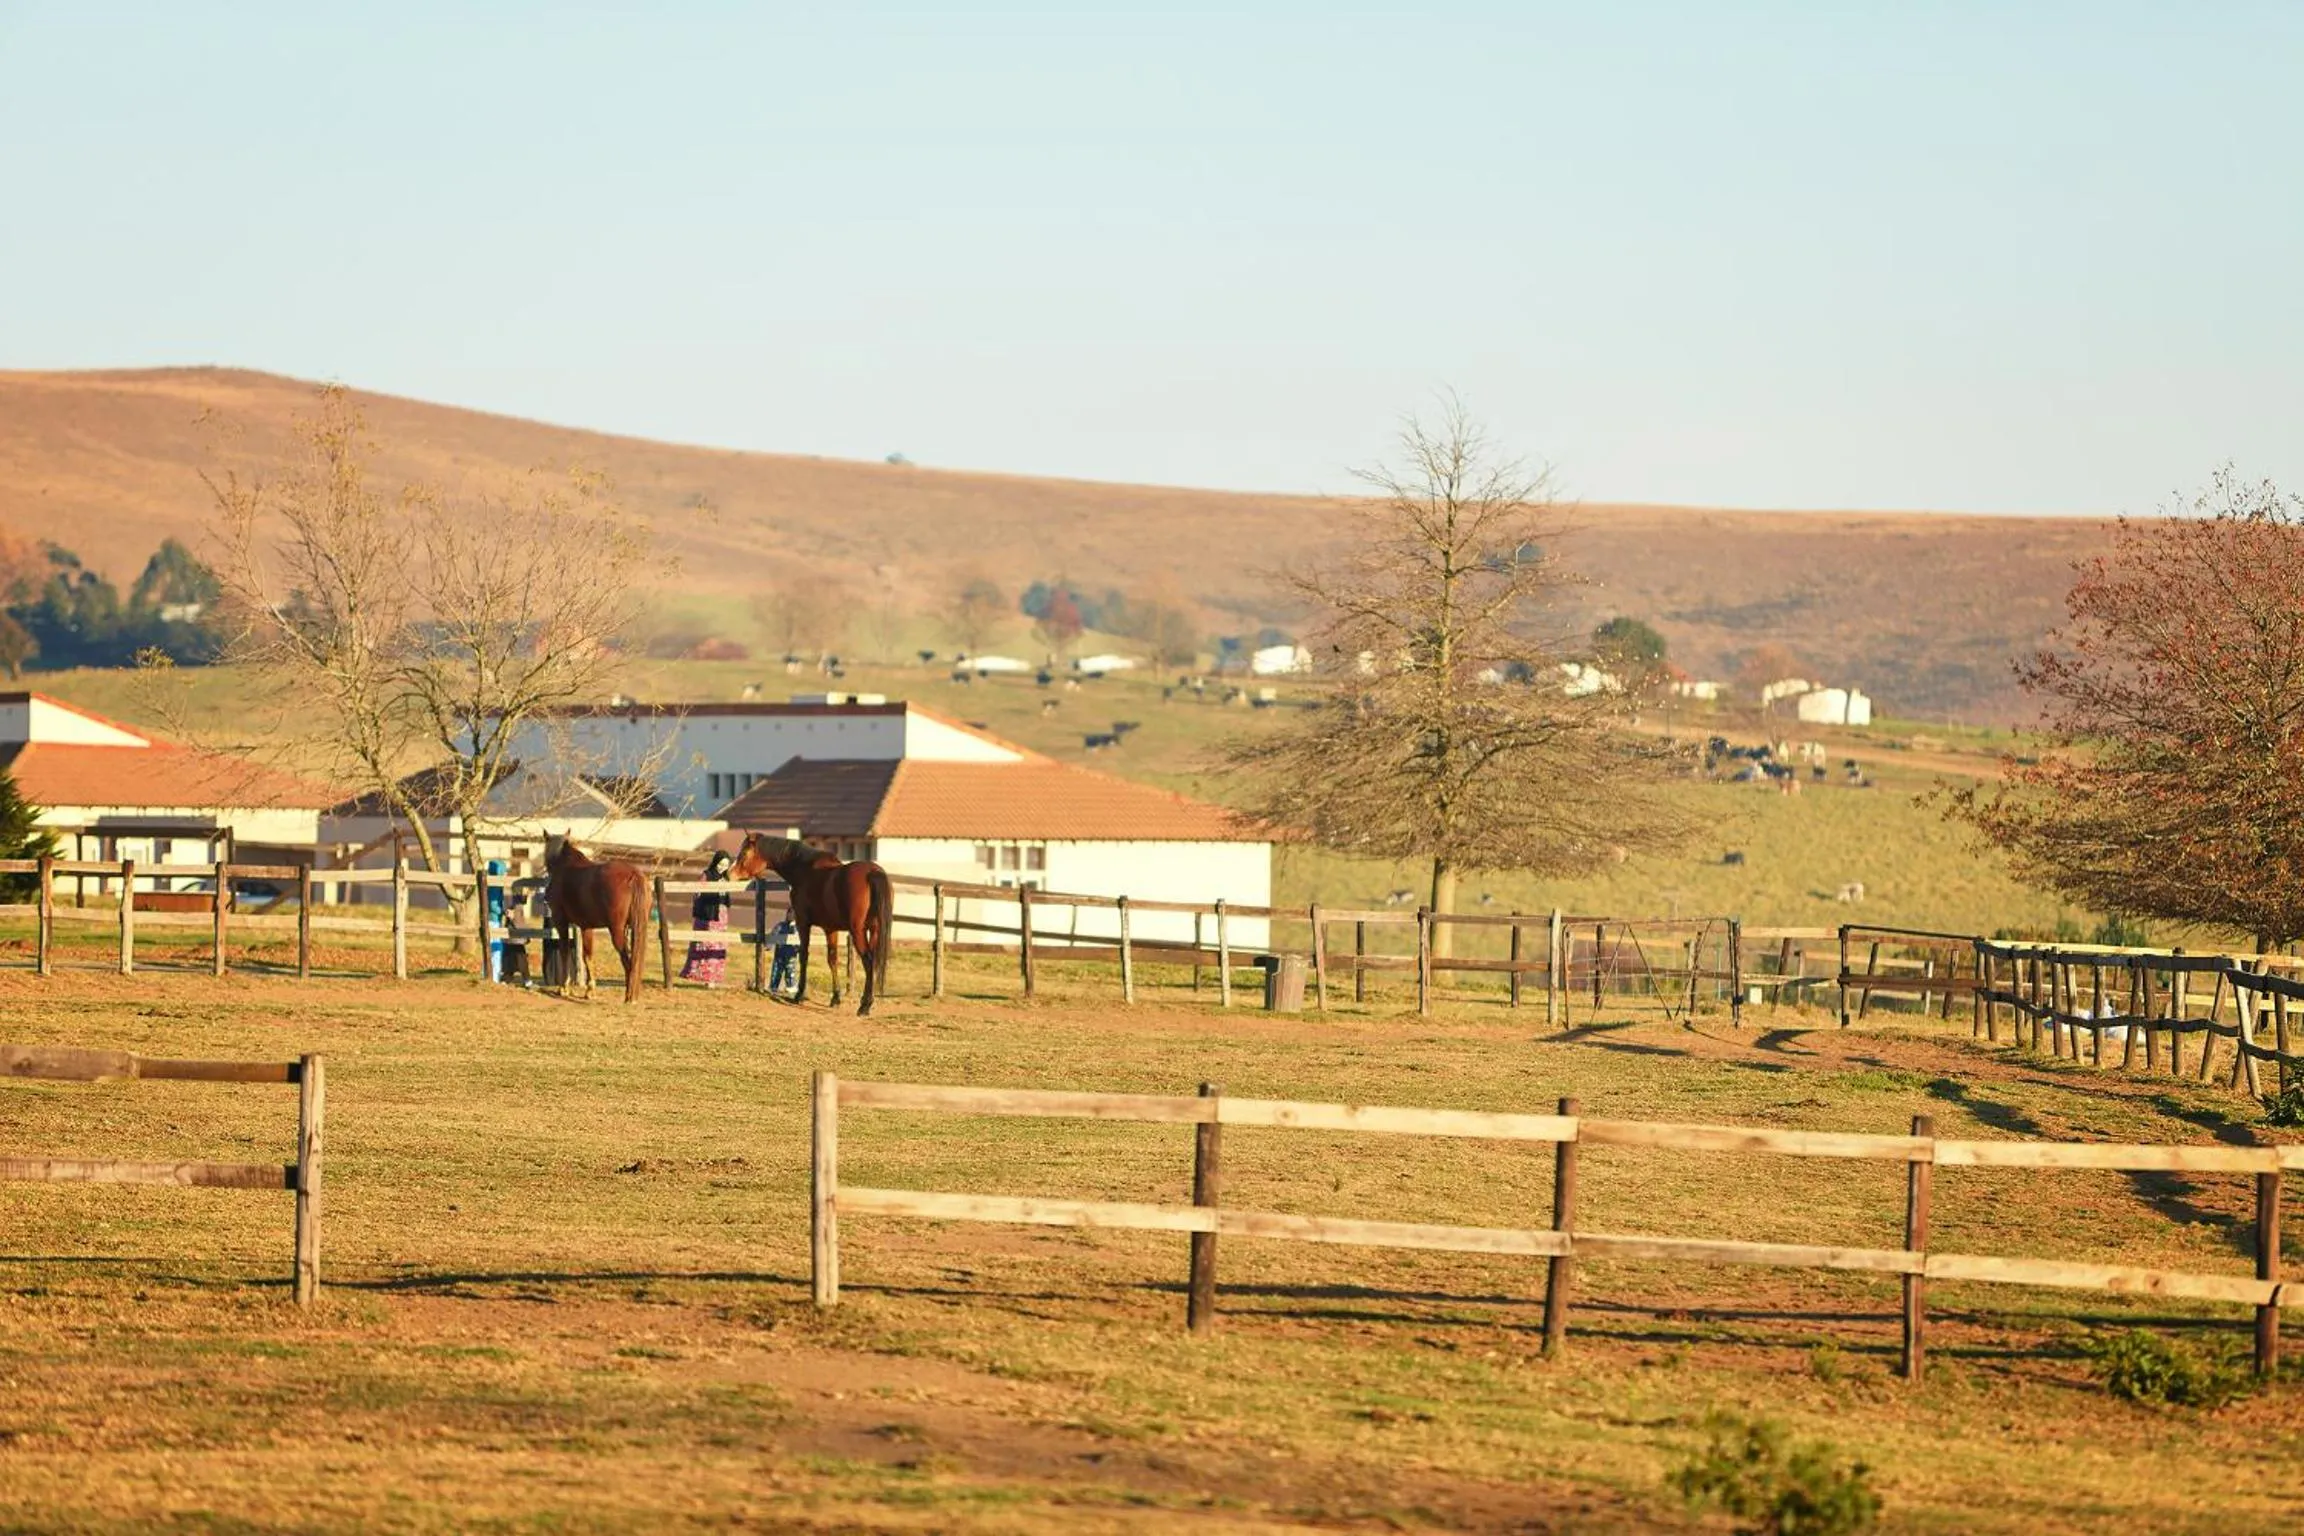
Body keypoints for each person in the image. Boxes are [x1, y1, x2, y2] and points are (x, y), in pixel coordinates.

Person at [680, 851, 736, 986]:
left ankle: (713, 978)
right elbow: (697, 893)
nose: (722, 867)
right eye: (721, 864)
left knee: (718, 945)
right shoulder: (706, 875)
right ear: (715, 862)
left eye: (725, 865)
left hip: (721, 916)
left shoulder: (726, 878)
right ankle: (698, 974)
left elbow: (727, 897)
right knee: (705, 943)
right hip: (707, 915)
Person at [768, 914, 801, 998]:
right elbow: (773, 935)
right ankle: (773, 988)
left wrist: (799, 949)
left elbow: (800, 940)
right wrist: (769, 945)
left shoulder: (798, 928)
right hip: (780, 954)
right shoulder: (780, 926)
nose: (791, 916)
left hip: (791, 956)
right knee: (776, 972)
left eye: (793, 914)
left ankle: (791, 991)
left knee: (790, 974)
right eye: (789, 913)